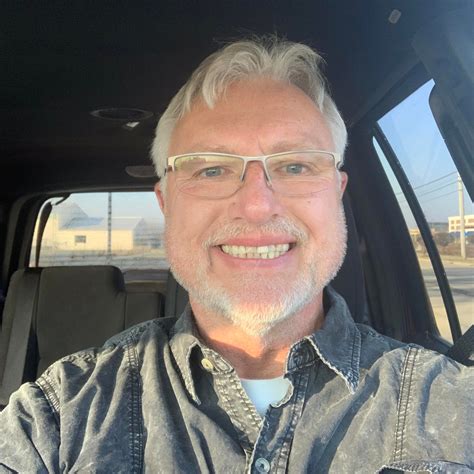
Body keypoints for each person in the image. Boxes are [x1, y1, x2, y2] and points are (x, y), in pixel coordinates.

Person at [0, 37, 472, 473]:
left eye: (294, 166)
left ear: (337, 194)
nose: (257, 205)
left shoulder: (452, 406)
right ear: (166, 203)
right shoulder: (54, 420)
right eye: (211, 170)